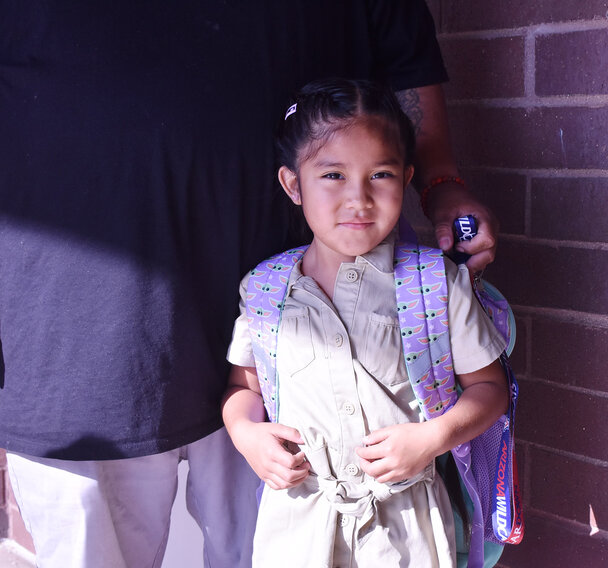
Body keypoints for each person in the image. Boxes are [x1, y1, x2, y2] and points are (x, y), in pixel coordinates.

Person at [0, 3, 498, 567]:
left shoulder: (426, 290)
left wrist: (444, 185)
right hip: (77, 342)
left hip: (300, 375)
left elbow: (405, 63)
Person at [222, 77, 509, 567]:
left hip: (407, 528)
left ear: (406, 176)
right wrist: (246, 434)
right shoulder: (265, 290)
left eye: (380, 175)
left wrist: (431, 439)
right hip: (296, 525)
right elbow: (242, 388)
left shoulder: (434, 284)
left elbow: (490, 390)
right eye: (333, 175)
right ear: (293, 184)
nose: (359, 199)